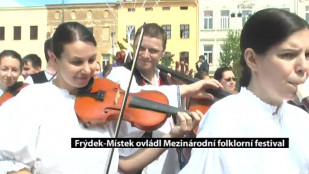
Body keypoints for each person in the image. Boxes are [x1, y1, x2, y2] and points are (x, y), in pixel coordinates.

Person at [0, 22, 220, 174]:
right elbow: (14, 165)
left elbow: (125, 166)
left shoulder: (103, 102)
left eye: (92, 60)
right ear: (53, 58)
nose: (88, 70)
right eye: (77, 62)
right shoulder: (32, 99)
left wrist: (173, 135)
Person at [180, 8, 309, 174]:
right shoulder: (224, 118)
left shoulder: (302, 120)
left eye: (307, 55)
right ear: (252, 59)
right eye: (288, 55)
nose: (303, 67)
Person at [107, 23, 220, 174]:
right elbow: (135, 95)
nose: (145, 55)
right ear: (134, 46)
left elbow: (176, 122)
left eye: (153, 51)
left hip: (166, 163)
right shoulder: (119, 73)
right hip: (132, 161)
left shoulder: (166, 80)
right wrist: (185, 89)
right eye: (141, 48)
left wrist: (185, 97)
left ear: (162, 53)